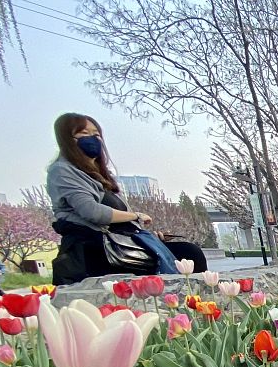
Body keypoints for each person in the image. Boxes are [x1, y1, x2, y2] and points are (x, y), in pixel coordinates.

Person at [45, 113, 207, 285]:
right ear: (67, 139)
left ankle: (194, 305)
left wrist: (149, 236)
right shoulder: (62, 171)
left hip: (119, 243)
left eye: (96, 134)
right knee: (187, 255)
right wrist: (136, 215)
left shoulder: (100, 175)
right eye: (84, 134)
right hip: (96, 249)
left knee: (188, 253)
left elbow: (120, 221)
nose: (93, 139)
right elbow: (92, 212)